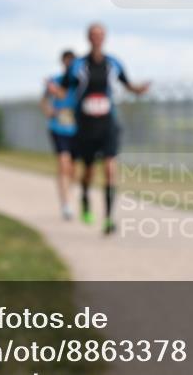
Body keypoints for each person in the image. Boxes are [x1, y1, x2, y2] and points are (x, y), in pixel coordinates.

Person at [56, 23, 150, 234]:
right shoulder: (78, 65)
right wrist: (53, 93)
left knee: (110, 168)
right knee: (88, 170)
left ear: (105, 38)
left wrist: (139, 89)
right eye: (94, 35)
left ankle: (108, 218)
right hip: (86, 126)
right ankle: (85, 197)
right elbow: (63, 91)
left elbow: (128, 85)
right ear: (88, 38)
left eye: (101, 35)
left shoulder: (113, 63)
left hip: (108, 124)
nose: (97, 38)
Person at [42, 50, 78, 220]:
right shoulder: (54, 81)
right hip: (59, 127)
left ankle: (69, 194)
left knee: (72, 168)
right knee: (63, 162)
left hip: (77, 129)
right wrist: (49, 111)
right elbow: (44, 101)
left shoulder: (80, 83)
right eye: (67, 62)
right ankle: (66, 204)